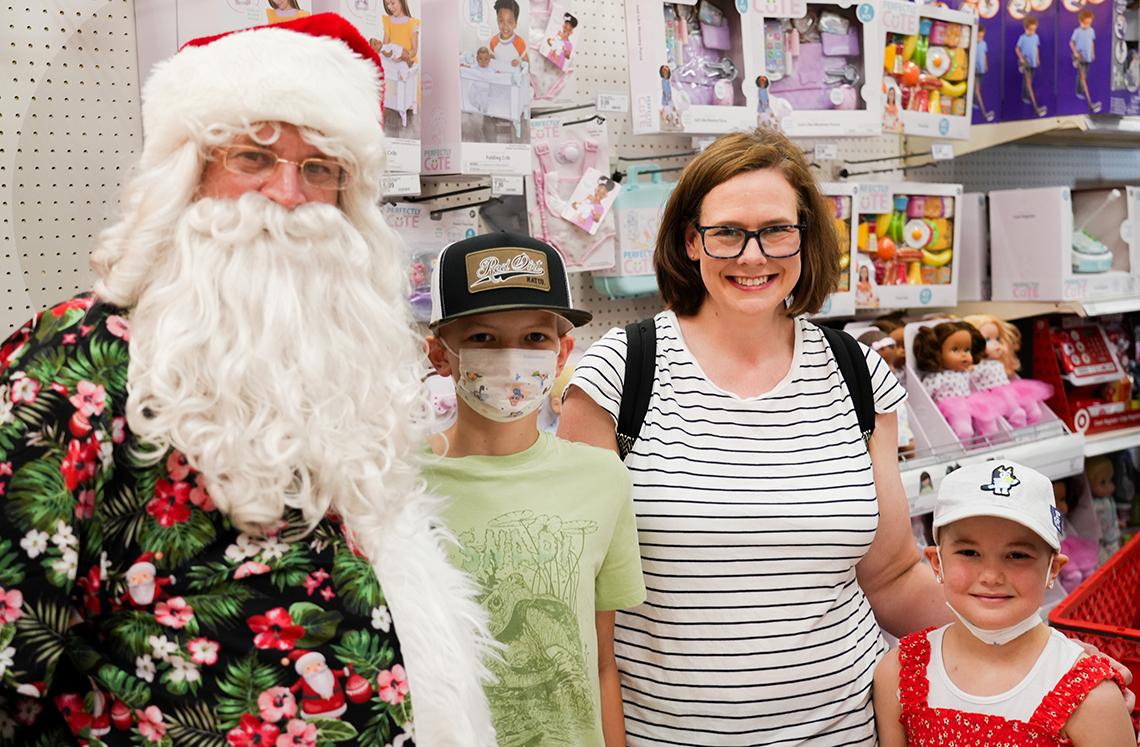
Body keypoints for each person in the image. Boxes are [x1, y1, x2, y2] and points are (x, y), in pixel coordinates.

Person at [0, 14, 495, 746]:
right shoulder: (82, 356)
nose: (287, 194)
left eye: (318, 167)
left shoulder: (336, 368)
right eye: (254, 158)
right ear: (191, 175)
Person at [557, 127, 939, 745]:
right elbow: (574, 600)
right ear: (690, 242)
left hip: (846, 732)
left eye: (777, 230)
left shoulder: (857, 372)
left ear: (805, 238)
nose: (753, 256)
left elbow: (894, 575)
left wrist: (1035, 653)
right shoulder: (619, 374)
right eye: (727, 232)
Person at [422, 233, 646, 746]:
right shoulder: (398, 484)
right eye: (482, 338)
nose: (511, 357)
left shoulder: (602, 478)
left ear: (564, 350)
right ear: (440, 354)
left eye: (534, 339)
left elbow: (601, 664)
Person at [874, 461, 1133, 746]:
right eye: (969, 552)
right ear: (937, 563)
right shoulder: (898, 673)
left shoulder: (1092, 697)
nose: (991, 576)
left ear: (1053, 570)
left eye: (1017, 555)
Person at [1070, 9, 1102, 112]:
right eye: (1085, 23)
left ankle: (1083, 90)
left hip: (1088, 57)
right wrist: (1075, 52)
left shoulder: (1091, 30)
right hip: (1079, 56)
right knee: (1081, 75)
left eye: (1089, 23)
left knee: (1085, 75)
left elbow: (1091, 42)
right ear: (1080, 21)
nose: (1087, 25)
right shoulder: (1077, 31)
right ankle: (1079, 92)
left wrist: (1093, 53)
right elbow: (1071, 43)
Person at [1017, 16, 1048, 116]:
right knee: (1027, 81)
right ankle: (1027, 97)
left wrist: (1037, 58)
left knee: (1030, 81)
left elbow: (1036, 48)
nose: (1032, 31)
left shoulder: (1036, 37)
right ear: (1025, 28)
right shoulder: (1022, 38)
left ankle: (1028, 96)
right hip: (1025, 62)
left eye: (1034, 30)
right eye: (1030, 30)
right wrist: (1021, 58)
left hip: (1033, 62)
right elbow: (1017, 49)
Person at [489, 0, 528, 68]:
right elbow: (492, 58)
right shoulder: (493, 41)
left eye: (509, 22)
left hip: (514, 76)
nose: (505, 26)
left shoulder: (520, 42)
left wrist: (519, 61)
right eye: (501, 21)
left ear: (515, 24)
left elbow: (526, 62)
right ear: (497, 20)